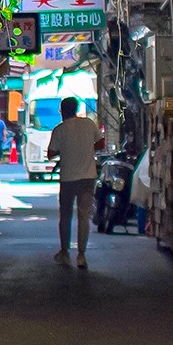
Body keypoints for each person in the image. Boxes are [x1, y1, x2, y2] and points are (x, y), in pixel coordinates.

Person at [47, 96, 104, 269]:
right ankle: (81, 255)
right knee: (83, 215)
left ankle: (64, 252)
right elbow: (101, 144)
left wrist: (65, 151)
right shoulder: (88, 124)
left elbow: (51, 153)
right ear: (76, 108)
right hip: (88, 178)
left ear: (62, 111)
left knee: (65, 216)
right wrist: (87, 149)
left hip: (68, 179)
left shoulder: (60, 129)